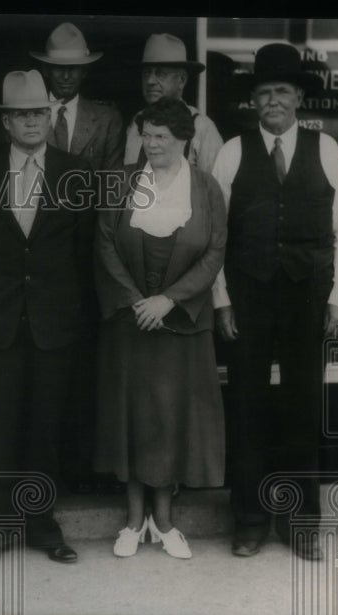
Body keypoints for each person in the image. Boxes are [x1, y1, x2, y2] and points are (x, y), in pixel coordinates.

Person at [211, 43, 338, 561]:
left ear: (299, 97)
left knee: (303, 407)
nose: (272, 100)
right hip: (248, 298)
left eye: (281, 90)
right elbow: (214, 235)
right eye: (263, 92)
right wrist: (222, 300)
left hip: (306, 299)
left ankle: (301, 525)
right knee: (248, 408)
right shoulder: (231, 151)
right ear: (251, 102)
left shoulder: (327, 150)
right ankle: (250, 521)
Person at [0, 70, 96, 566]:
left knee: (45, 428)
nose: (32, 122)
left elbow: (84, 255)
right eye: (21, 114)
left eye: (39, 113)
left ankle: (42, 525)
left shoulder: (75, 170)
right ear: (6, 122)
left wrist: (79, 322)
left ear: (49, 116)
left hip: (53, 322)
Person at [94, 98, 227, 559]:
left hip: (182, 325)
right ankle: (133, 521)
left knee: (172, 422)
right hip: (131, 323)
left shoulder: (207, 189)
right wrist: (136, 301)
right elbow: (106, 243)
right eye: (146, 135)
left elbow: (214, 252)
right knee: (132, 420)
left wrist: (170, 299)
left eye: (161, 137)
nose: (151, 145)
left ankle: (165, 522)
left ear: (184, 139)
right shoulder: (122, 183)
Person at [124, 33, 224, 174]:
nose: (150, 81)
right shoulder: (137, 122)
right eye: (146, 73)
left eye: (161, 74)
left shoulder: (201, 127)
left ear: (182, 80)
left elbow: (214, 191)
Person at [31, 22, 123, 172]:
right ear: (46, 70)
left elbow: (112, 181)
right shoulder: (26, 116)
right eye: (59, 67)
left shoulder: (107, 119)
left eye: (73, 68)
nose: (66, 76)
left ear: (84, 72)